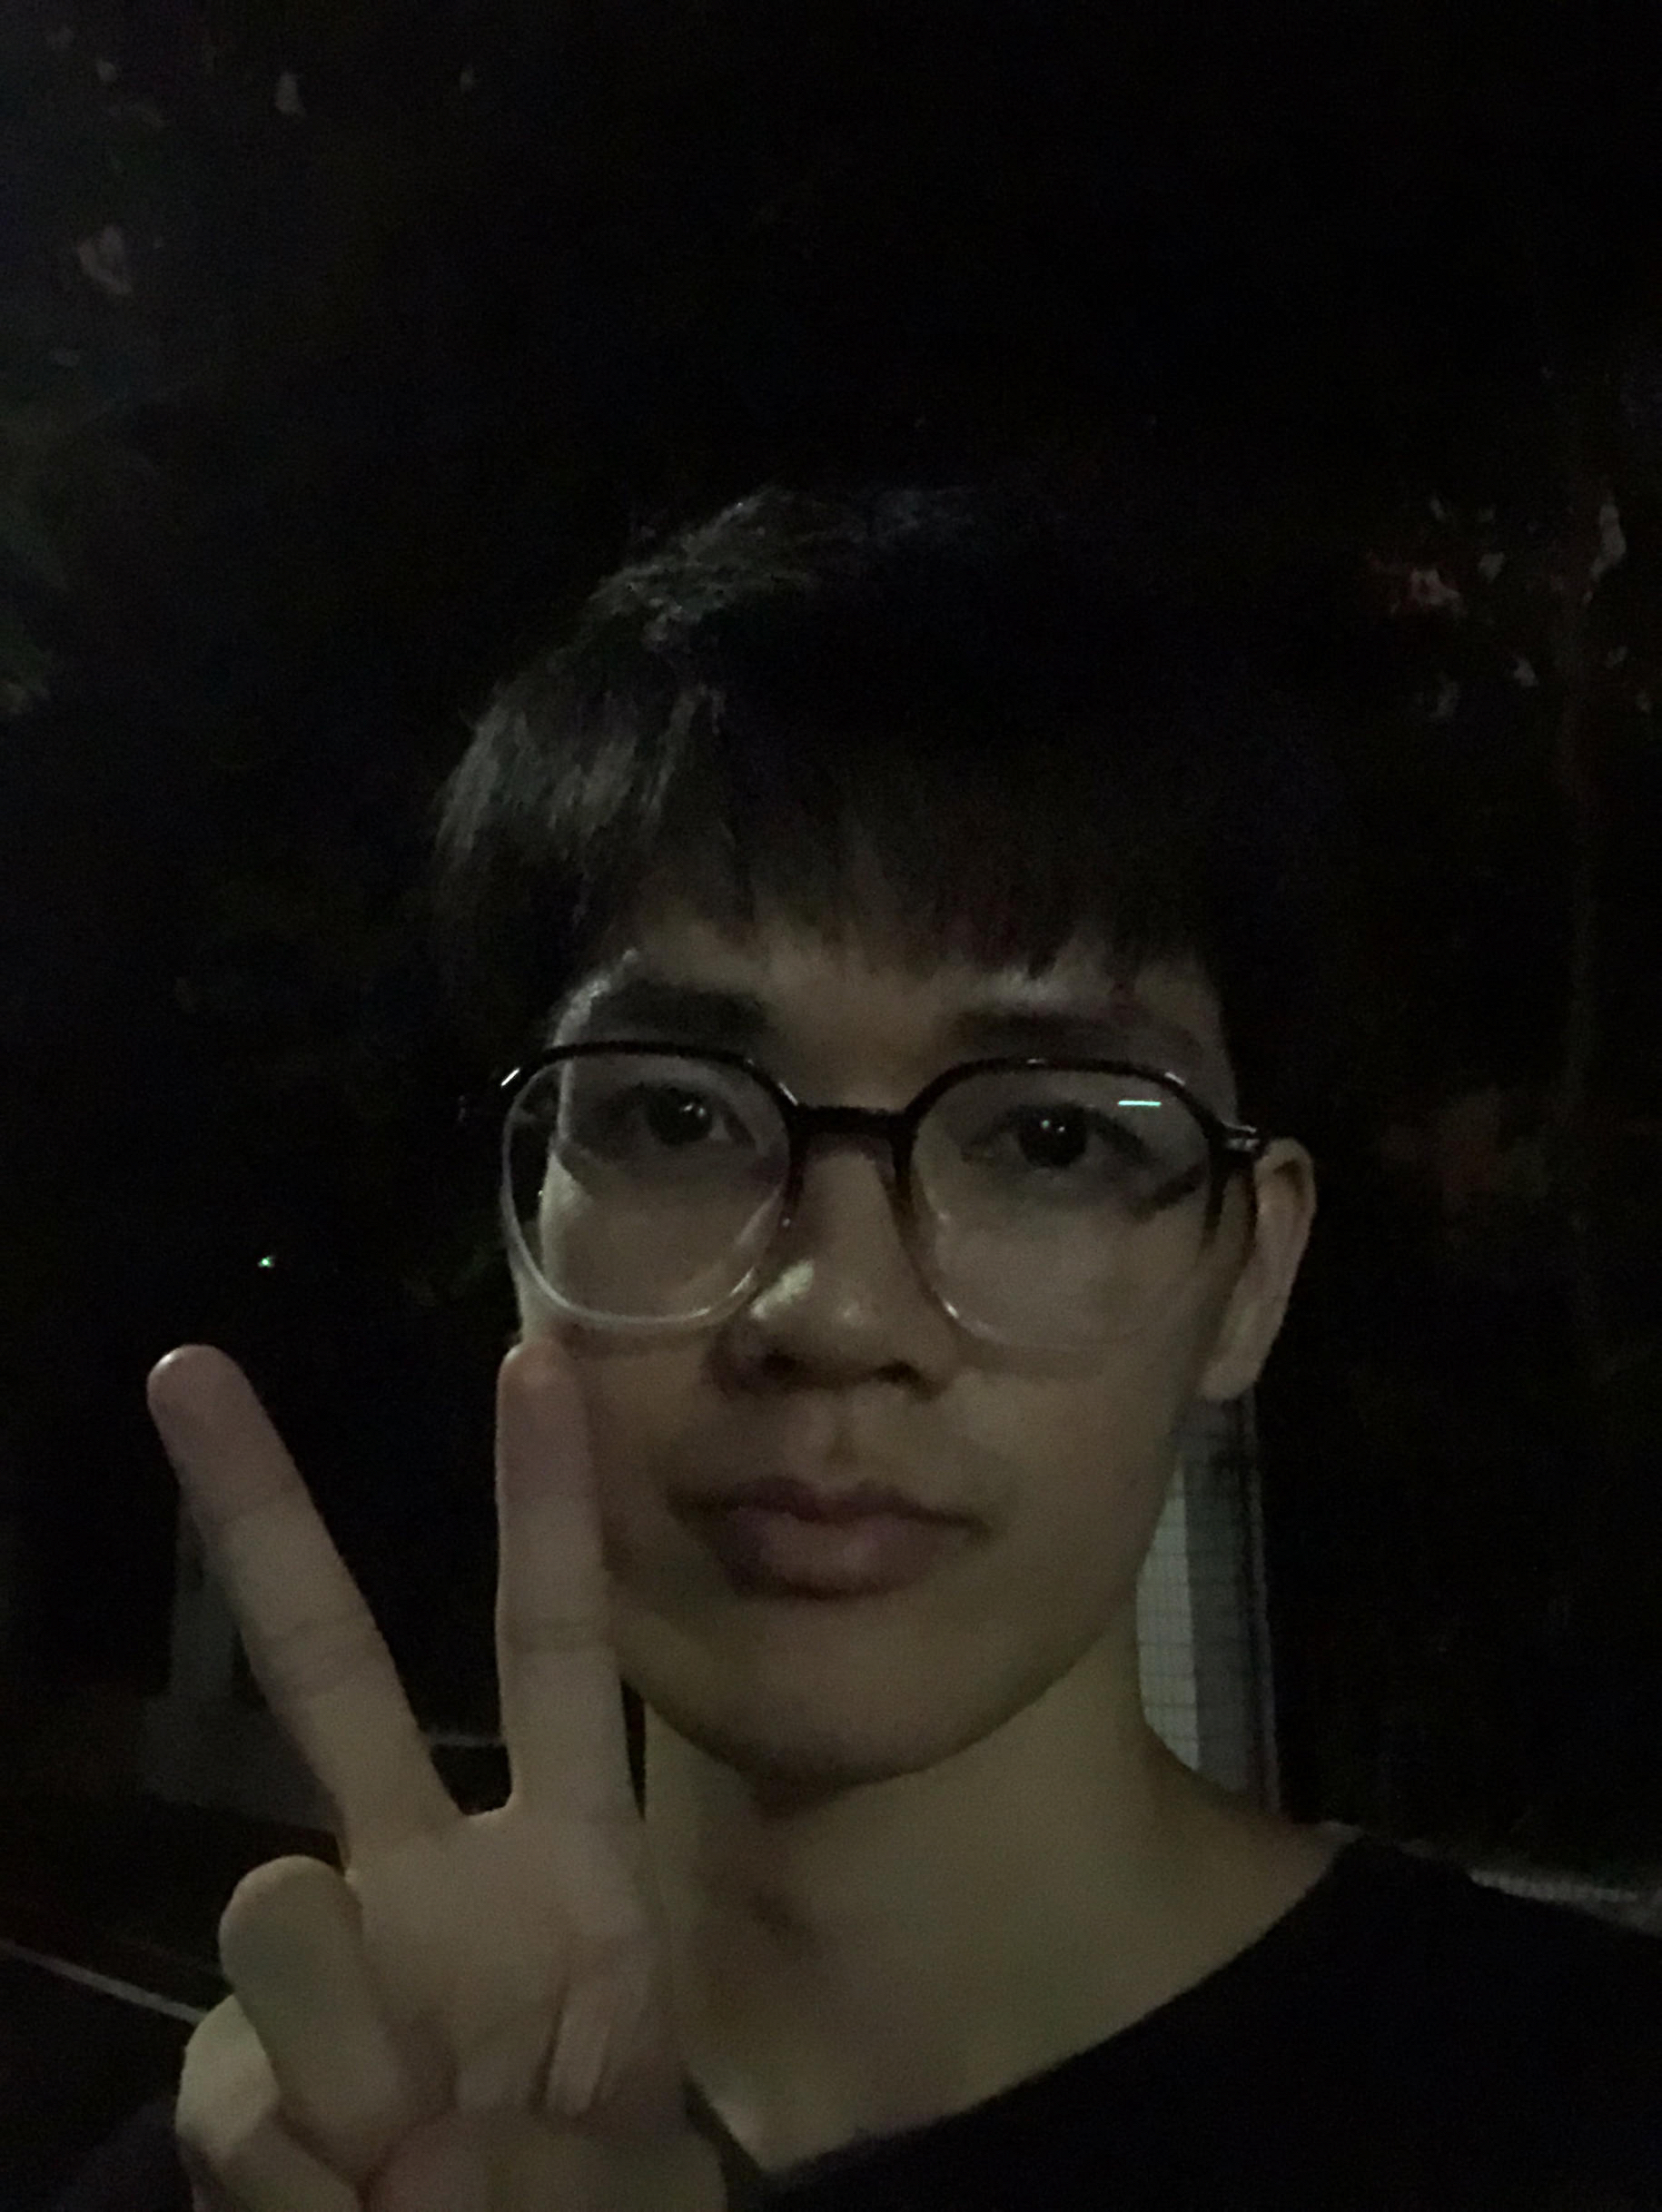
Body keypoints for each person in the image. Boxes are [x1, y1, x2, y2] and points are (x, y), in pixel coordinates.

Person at [50, 476, 1662, 2209]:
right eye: (676, 1118)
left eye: (1050, 1138)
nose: (831, 1313)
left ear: (1249, 1272)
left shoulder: (1583, 2119)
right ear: (525, 1221)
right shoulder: (275, 2189)